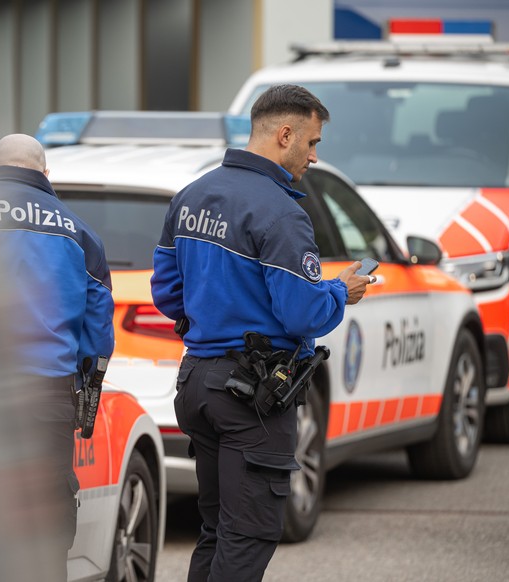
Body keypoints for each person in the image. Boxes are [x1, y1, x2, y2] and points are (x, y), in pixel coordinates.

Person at [150, 84, 372, 581]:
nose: (314, 156)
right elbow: (302, 313)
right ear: (285, 134)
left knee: (218, 529)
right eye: (312, 143)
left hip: (198, 386)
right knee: (248, 537)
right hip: (251, 398)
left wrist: (213, 319)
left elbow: (166, 293)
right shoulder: (281, 212)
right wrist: (340, 292)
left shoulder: (191, 196)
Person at [0, 133, 115, 580]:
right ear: (45, 174)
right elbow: (98, 339)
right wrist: (84, 396)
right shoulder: (79, 233)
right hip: (47, 398)